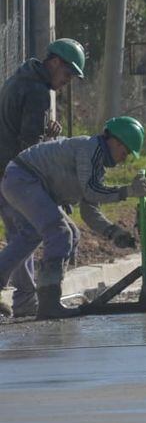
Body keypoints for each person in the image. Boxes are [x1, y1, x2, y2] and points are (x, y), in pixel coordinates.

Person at [0, 117, 146, 319]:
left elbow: (89, 210)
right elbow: (91, 191)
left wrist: (112, 232)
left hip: (21, 180)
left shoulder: (97, 163)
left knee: (48, 234)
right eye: (125, 152)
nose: (124, 158)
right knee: (60, 233)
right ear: (116, 141)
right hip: (24, 179)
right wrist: (127, 191)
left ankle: (47, 299)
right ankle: (49, 303)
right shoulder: (90, 149)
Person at [0, 38, 84, 317]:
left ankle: (24, 302)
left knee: (20, 236)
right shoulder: (37, 92)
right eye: (67, 74)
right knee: (36, 231)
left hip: (4, 170)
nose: (68, 81)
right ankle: (33, 297)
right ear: (55, 62)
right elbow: (28, 147)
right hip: (16, 174)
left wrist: (46, 136)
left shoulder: (17, 80)